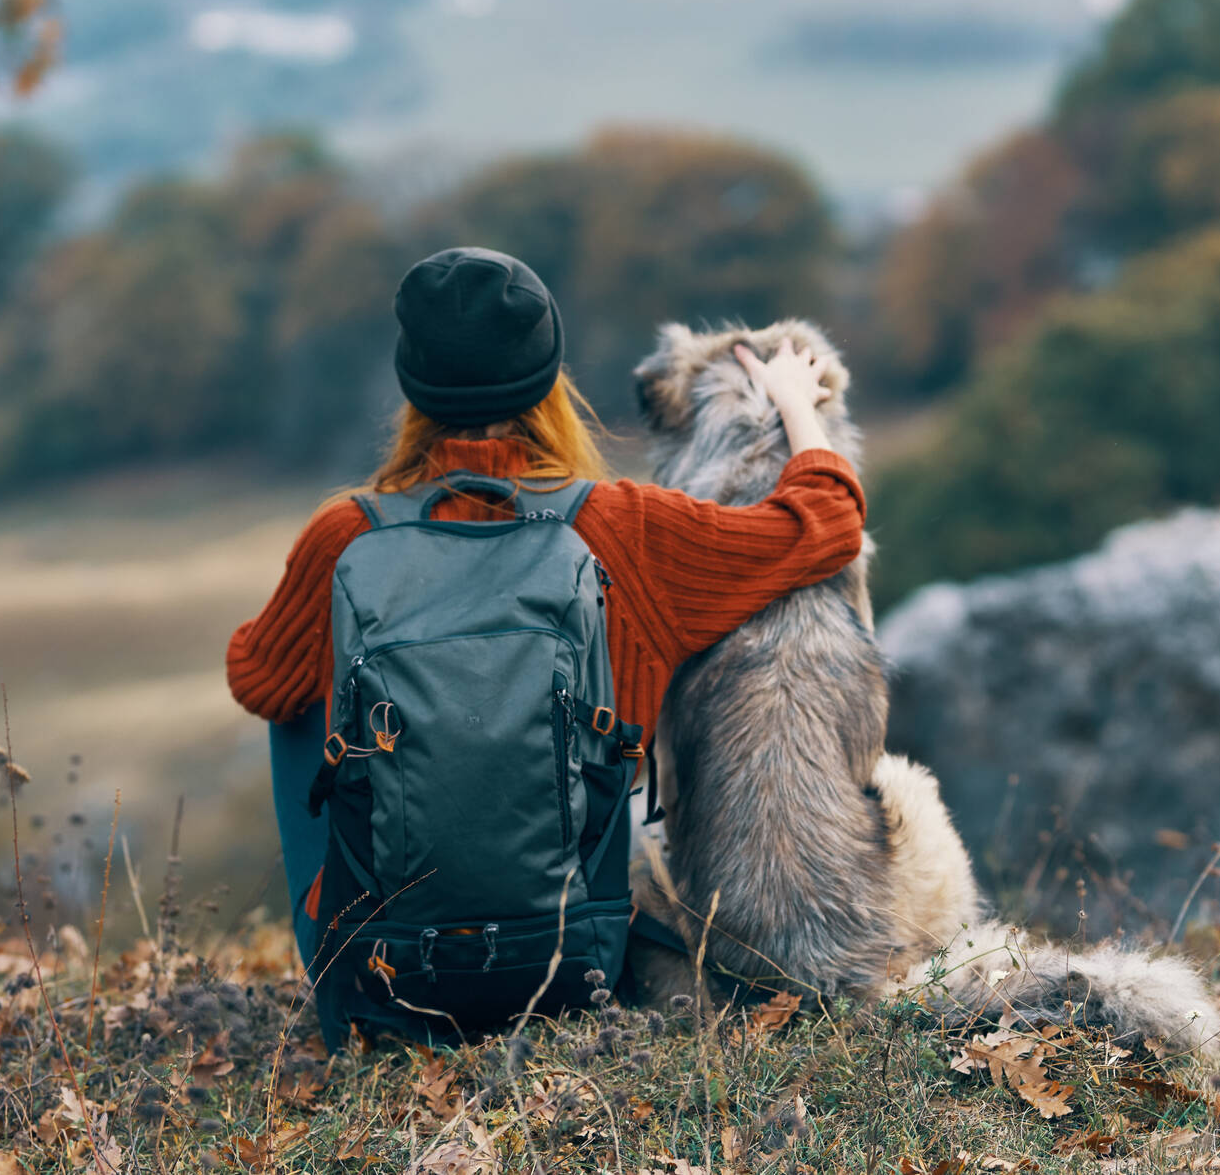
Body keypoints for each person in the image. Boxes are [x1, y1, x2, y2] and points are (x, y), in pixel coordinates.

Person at [226, 246, 866, 975]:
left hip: (388, 971)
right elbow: (828, 522)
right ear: (548, 380)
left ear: (412, 386)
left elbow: (257, 679)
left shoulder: (344, 537)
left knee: (295, 702)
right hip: (570, 954)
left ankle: (337, 944)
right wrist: (792, 402)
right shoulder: (627, 530)